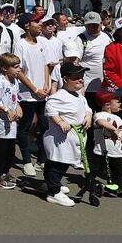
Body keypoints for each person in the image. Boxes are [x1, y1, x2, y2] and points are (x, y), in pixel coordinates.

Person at [43, 62, 91, 207]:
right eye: (76, 77)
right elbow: (50, 108)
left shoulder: (79, 96)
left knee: (64, 163)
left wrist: (88, 116)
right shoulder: (59, 96)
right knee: (57, 163)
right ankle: (54, 192)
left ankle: (52, 183)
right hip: (60, 139)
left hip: (74, 138)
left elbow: (87, 108)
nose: (80, 80)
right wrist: (59, 121)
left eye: (82, 77)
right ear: (65, 79)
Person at [13, 14, 52, 180]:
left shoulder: (42, 42)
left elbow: (45, 64)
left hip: (42, 94)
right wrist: (34, 88)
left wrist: (46, 85)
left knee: (45, 126)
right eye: (37, 22)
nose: (40, 24)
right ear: (27, 26)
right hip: (27, 94)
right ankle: (27, 161)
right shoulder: (20, 45)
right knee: (25, 126)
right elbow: (18, 71)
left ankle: (42, 160)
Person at [0, 52, 22, 191]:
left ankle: (6, 172)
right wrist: (7, 110)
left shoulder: (15, 81)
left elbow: (16, 97)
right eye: (15, 67)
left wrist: (18, 107)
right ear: (5, 68)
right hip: (2, 122)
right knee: (1, 149)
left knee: (11, 149)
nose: (18, 70)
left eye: (18, 67)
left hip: (12, 122)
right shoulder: (0, 81)